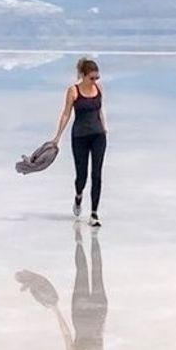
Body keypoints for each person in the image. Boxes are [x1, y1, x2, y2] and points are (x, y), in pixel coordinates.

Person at [53, 56, 107, 227]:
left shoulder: (99, 88)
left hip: (98, 136)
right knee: (81, 176)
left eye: (96, 77)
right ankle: (78, 195)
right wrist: (57, 136)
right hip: (80, 137)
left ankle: (94, 214)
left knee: (97, 175)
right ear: (83, 75)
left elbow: (100, 110)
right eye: (91, 78)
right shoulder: (73, 91)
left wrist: (104, 128)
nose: (95, 81)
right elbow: (66, 114)